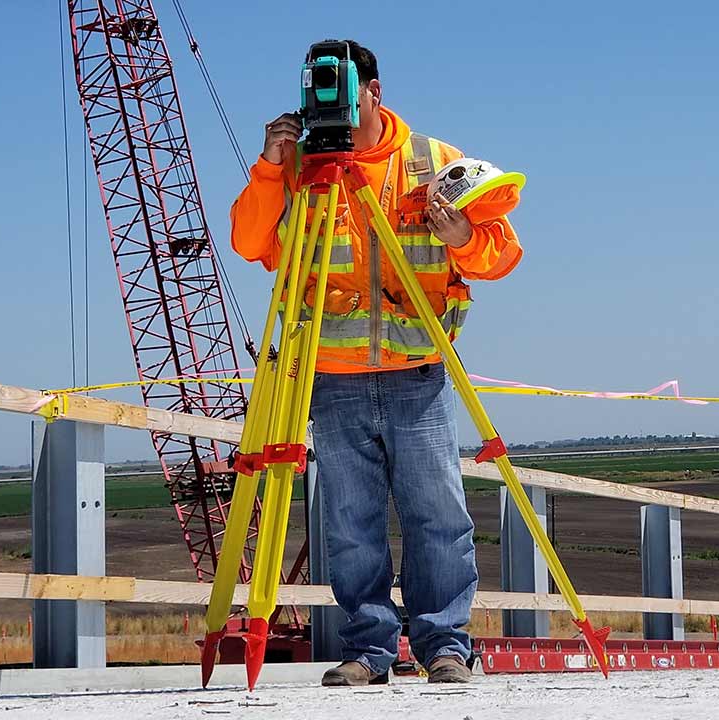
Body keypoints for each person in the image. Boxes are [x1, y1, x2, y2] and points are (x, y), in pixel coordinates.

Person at [229, 39, 523, 686]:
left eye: (342, 90)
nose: (329, 105)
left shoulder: (432, 162)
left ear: (374, 92)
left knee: (437, 516)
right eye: (319, 91)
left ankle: (444, 644)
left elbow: (501, 255)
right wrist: (271, 166)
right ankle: (369, 650)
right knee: (350, 525)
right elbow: (249, 240)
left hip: (417, 374)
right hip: (330, 379)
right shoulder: (299, 167)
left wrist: (464, 238)